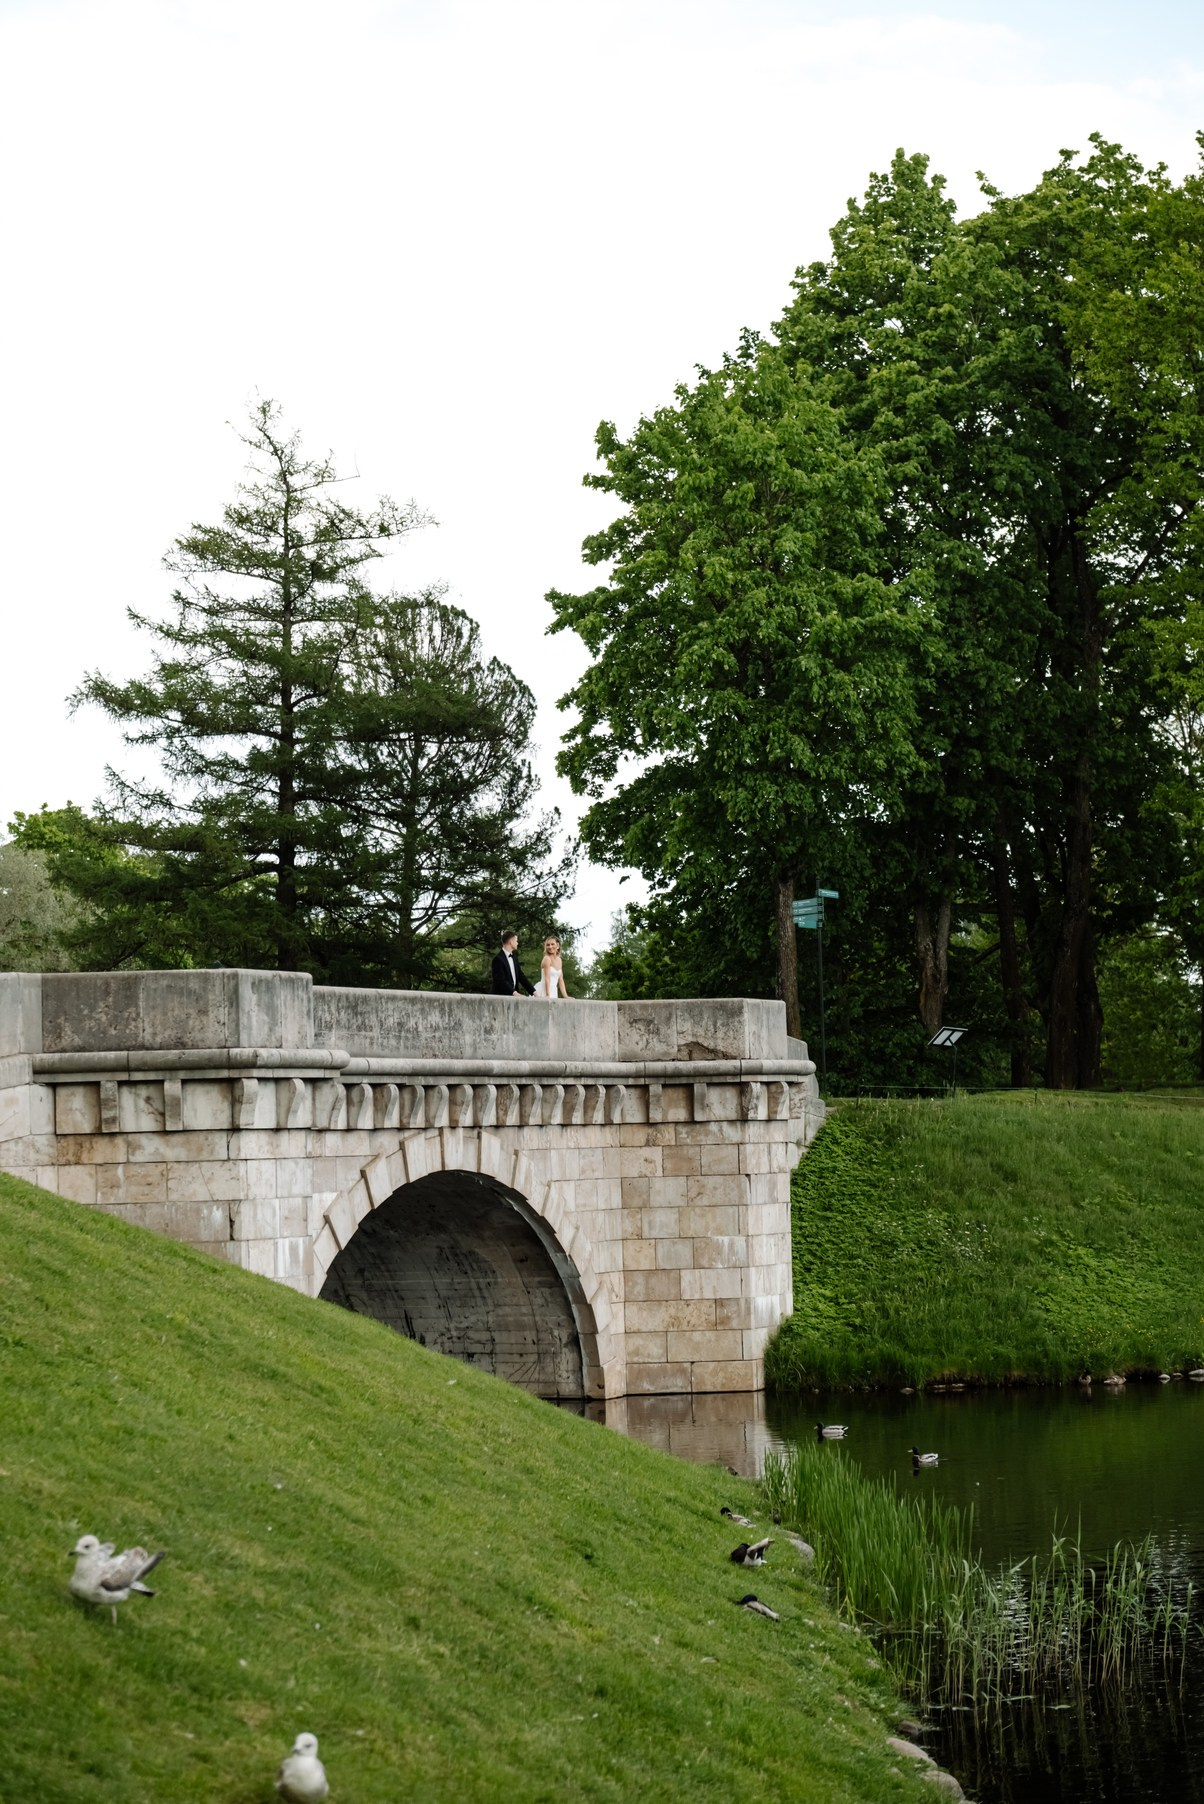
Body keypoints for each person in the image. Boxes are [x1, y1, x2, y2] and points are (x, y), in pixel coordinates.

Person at [491, 930, 535, 996]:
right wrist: (514, 993)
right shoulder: (498, 959)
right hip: (500, 997)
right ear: (511, 942)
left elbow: (521, 976)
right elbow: (501, 980)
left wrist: (534, 992)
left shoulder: (514, 958)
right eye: (516, 941)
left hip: (513, 997)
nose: (517, 943)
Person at [535, 935, 569, 1000]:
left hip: (554, 990)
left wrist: (566, 996)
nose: (550, 947)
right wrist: (548, 995)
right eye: (548, 945)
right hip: (544, 989)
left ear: (558, 945)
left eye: (552, 944)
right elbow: (547, 978)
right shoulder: (547, 959)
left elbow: (560, 979)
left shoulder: (559, 960)